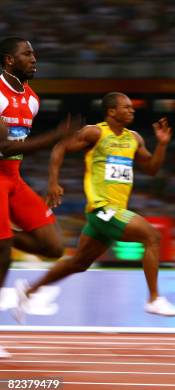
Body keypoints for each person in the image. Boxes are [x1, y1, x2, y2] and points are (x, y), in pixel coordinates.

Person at [16, 92, 175, 320]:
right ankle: (154, 299)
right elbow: (60, 147)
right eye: (126, 107)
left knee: (78, 263)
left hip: (113, 212)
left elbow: (152, 169)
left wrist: (162, 145)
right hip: (102, 209)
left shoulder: (134, 139)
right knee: (152, 236)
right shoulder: (95, 132)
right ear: (111, 111)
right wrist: (53, 182)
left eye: (132, 107)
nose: (132, 110)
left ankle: (28, 291)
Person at [0, 37, 81, 359]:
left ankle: (5, 234)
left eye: (34, 53)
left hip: (13, 179)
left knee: (52, 246)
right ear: (8, 61)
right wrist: (55, 136)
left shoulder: (32, 99)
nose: (34, 58)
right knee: (2, 252)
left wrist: (51, 180)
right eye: (27, 54)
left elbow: (17, 151)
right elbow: (4, 145)